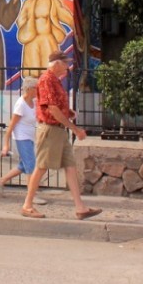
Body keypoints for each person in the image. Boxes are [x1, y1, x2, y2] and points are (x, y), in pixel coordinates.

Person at [21, 51, 102, 220]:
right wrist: (75, 129)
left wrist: (68, 112)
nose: (68, 66)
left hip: (58, 130)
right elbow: (52, 108)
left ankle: (80, 208)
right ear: (56, 63)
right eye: (65, 63)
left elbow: (56, 107)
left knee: (70, 167)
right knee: (41, 166)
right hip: (50, 130)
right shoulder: (47, 80)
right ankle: (27, 205)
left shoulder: (55, 80)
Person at [0, 76, 46, 205]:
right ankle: (32, 195)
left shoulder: (33, 102)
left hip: (29, 137)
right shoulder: (21, 104)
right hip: (21, 137)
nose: (38, 91)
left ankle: (1, 181)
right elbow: (11, 125)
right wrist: (6, 144)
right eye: (36, 88)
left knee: (23, 165)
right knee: (31, 166)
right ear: (29, 89)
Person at [16, 0, 74, 76]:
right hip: (32, 41)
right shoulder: (29, 2)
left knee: (49, 73)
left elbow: (66, 16)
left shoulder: (53, 2)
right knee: (32, 74)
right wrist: (26, 26)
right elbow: (21, 19)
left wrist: (76, 27)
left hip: (48, 41)